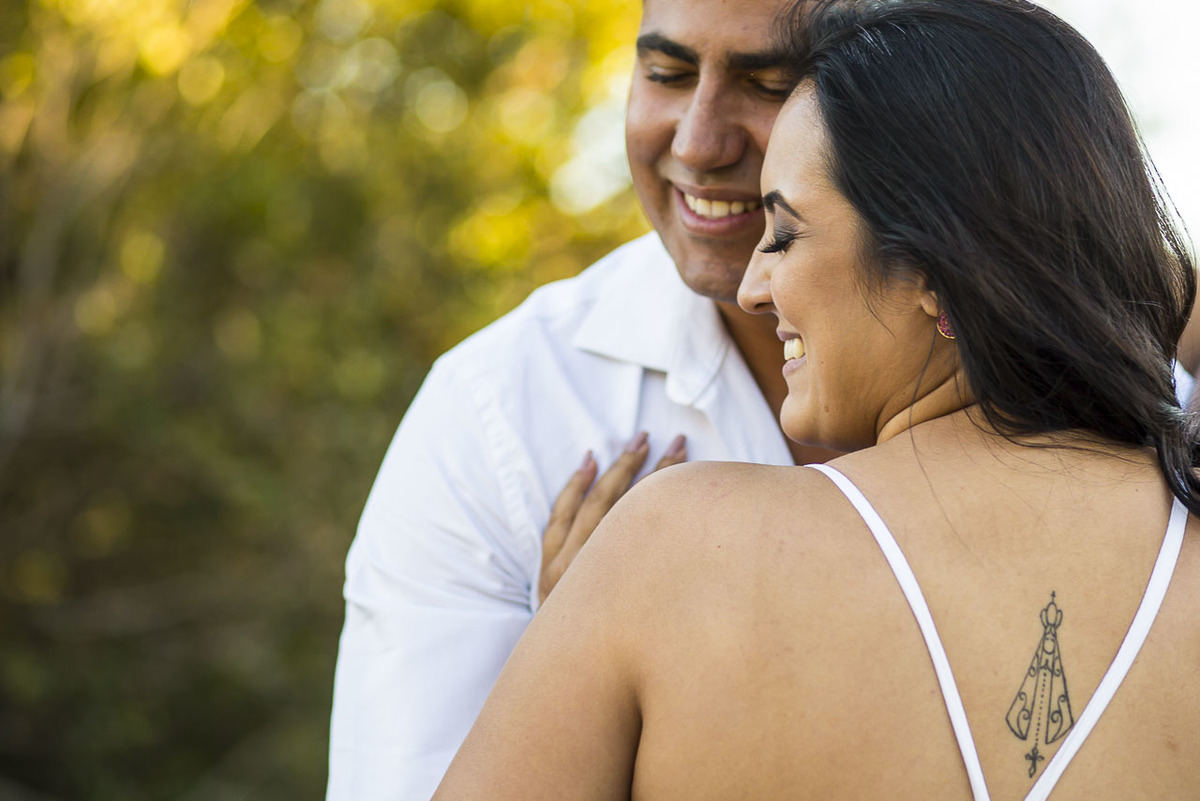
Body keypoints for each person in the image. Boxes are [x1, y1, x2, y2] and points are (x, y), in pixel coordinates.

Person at [432, 0, 1200, 798]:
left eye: (785, 234)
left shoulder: (671, 553)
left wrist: (574, 649)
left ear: (935, 271)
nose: (754, 287)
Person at [325, 1, 844, 798]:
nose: (698, 143)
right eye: (666, 73)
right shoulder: (497, 415)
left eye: (769, 84)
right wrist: (581, 679)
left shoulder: (1024, 384)